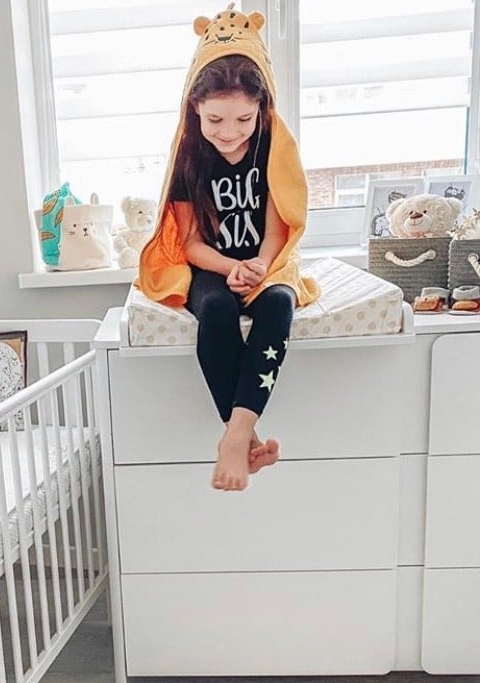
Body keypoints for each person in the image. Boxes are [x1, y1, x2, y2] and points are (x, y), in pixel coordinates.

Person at [135, 4, 321, 492]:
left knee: (278, 303)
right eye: (215, 118)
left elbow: (278, 229)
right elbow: (190, 243)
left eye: (244, 118)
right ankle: (243, 436)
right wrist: (228, 267)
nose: (230, 131)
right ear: (195, 107)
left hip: (267, 261)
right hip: (213, 265)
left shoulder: (272, 147)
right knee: (215, 309)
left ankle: (235, 438)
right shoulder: (189, 158)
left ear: (262, 109)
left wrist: (259, 264)